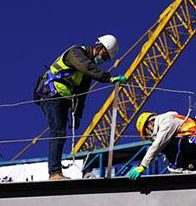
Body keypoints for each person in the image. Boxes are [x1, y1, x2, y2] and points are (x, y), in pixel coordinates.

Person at [35, 35, 127, 180]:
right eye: (103, 56)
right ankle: (54, 173)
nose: (102, 60)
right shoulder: (76, 52)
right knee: (58, 133)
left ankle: (56, 171)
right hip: (51, 95)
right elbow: (86, 66)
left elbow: (82, 95)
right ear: (98, 47)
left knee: (61, 134)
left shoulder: (87, 74)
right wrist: (107, 77)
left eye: (106, 59)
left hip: (64, 99)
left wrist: (77, 114)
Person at [127, 111, 196, 180]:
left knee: (166, 145)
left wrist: (142, 166)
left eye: (147, 132)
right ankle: (191, 166)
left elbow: (157, 145)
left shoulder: (166, 121)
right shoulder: (173, 119)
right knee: (167, 144)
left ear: (150, 124)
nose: (150, 135)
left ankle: (181, 168)